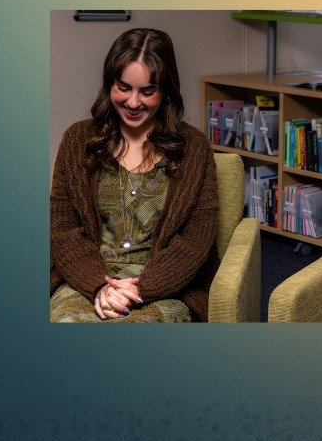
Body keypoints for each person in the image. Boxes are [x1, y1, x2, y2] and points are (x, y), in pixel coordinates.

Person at [50, 28, 219, 322]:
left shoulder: (194, 148)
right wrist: (100, 287)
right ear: (109, 84)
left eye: (147, 91)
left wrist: (139, 291)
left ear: (166, 91)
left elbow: (194, 241)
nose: (132, 102)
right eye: (123, 87)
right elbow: (64, 229)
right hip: (86, 284)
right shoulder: (77, 139)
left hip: (164, 289)